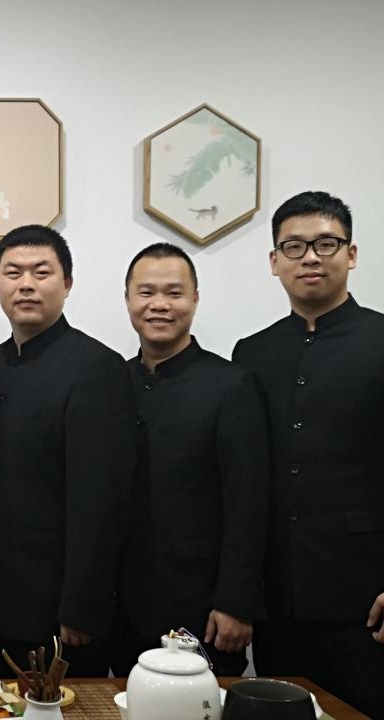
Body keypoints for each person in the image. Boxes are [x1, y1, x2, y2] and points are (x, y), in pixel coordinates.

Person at [233, 191, 384, 720]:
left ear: (351, 254)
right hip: (278, 601)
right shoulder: (252, 353)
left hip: (370, 600)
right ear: (275, 261)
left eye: (326, 244)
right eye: (294, 246)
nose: (310, 257)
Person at [0, 224, 136, 679]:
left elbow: (102, 502)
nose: (26, 284)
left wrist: (82, 606)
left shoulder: (97, 368)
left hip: (57, 608)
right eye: (13, 273)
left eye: (41, 272)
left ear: (67, 283)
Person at [110, 243, 268, 677]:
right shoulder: (111, 383)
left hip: (203, 606)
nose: (159, 304)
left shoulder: (231, 385)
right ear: (128, 299)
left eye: (174, 293)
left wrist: (236, 602)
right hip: (121, 607)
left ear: (195, 299)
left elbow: (248, 503)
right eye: (146, 292)